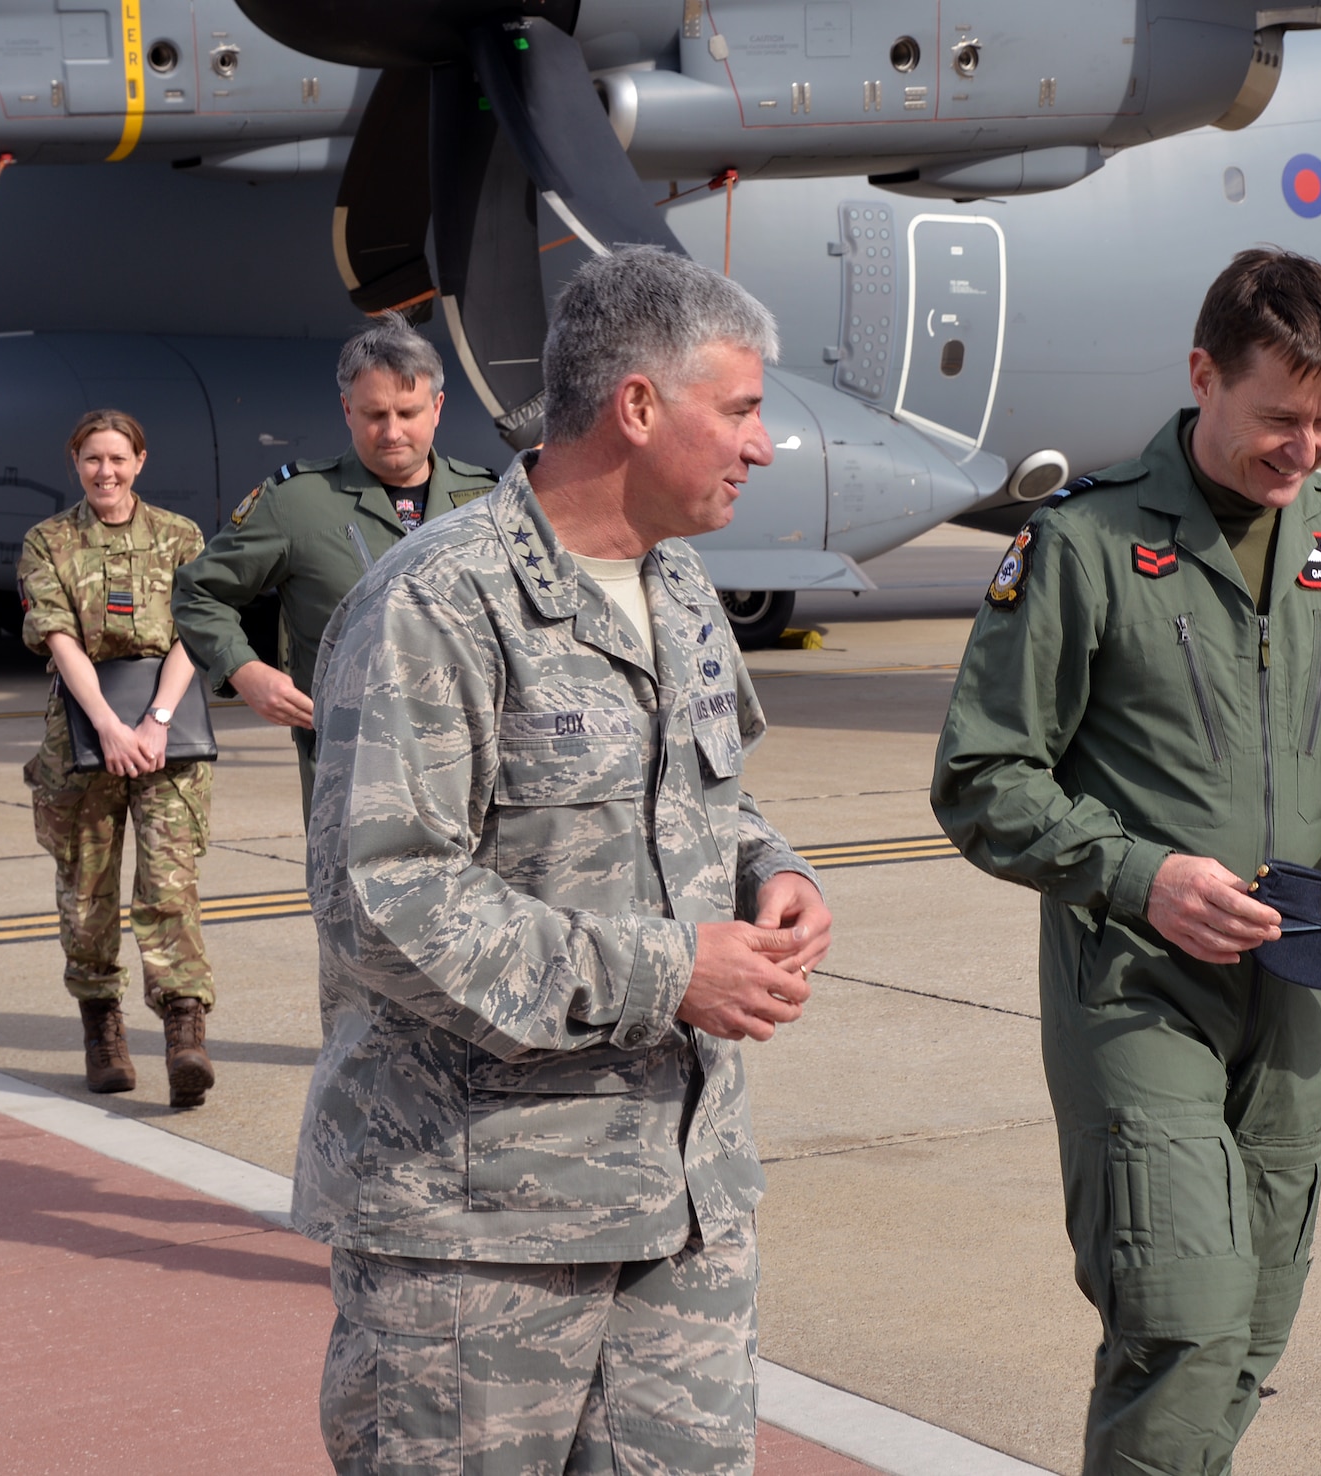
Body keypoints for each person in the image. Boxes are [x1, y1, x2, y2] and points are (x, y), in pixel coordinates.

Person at [292, 247, 832, 1476]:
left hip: (680, 1210)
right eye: (739, 411)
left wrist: (772, 873)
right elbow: (384, 897)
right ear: (638, 407)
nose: (761, 445)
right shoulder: (438, 601)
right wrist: (665, 974)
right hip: (479, 1232)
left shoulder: (680, 585)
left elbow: (709, 797)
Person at [931, 250, 1321, 1474]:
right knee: (1179, 1320)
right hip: (1134, 984)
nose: (1307, 448)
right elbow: (980, 778)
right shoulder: (1084, 542)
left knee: (1248, 1332)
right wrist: (1140, 879)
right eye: (1279, 417)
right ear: (1200, 378)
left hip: (1293, 987)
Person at [170, 312, 498, 819]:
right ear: (346, 409)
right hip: (354, 782)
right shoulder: (297, 502)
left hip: (475, 773)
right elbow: (199, 593)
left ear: (438, 407)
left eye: (408, 413)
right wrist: (245, 670)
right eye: (374, 414)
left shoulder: (486, 500)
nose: (391, 432)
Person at [18, 409, 219, 1109]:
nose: (106, 472)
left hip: (167, 730)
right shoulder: (48, 541)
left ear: (141, 461)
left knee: (169, 886)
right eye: (92, 460)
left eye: (118, 459)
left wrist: (157, 720)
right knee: (88, 892)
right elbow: (57, 636)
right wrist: (108, 725)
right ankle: (102, 1028)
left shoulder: (179, 536)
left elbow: (196, 628)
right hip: (83, 732)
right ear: (76, 464)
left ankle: (184, 1033)